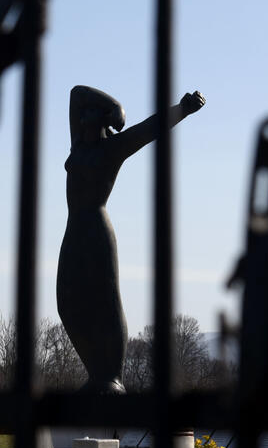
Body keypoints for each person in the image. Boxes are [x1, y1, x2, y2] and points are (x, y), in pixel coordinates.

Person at [57, 85, 206, 393]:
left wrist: (182, 110)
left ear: (100, 121)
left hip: (97, 229)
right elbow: (76, 94)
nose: (81, 117)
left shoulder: (112, 149)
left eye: (89, 114)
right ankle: (96, 372)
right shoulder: (78, 144)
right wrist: (116, 106)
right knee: (67, 302)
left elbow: (149, 129)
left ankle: (111, 375)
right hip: (75, 228)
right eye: (82, 115)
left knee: (107, 300)